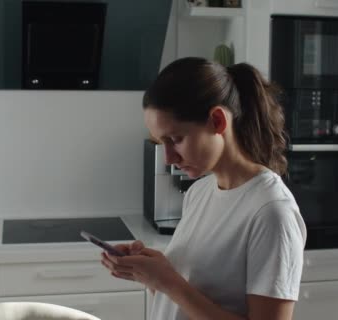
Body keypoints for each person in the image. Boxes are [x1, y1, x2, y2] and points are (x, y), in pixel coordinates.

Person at [101, 57, 306, 320]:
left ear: (218, 121)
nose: (168, 158)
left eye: (175, 139)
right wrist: (152, 275)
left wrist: (169, 283)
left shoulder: (271, 213)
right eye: (160, 142)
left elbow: (180, 292)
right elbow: (184, 303)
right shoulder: (199, 193)